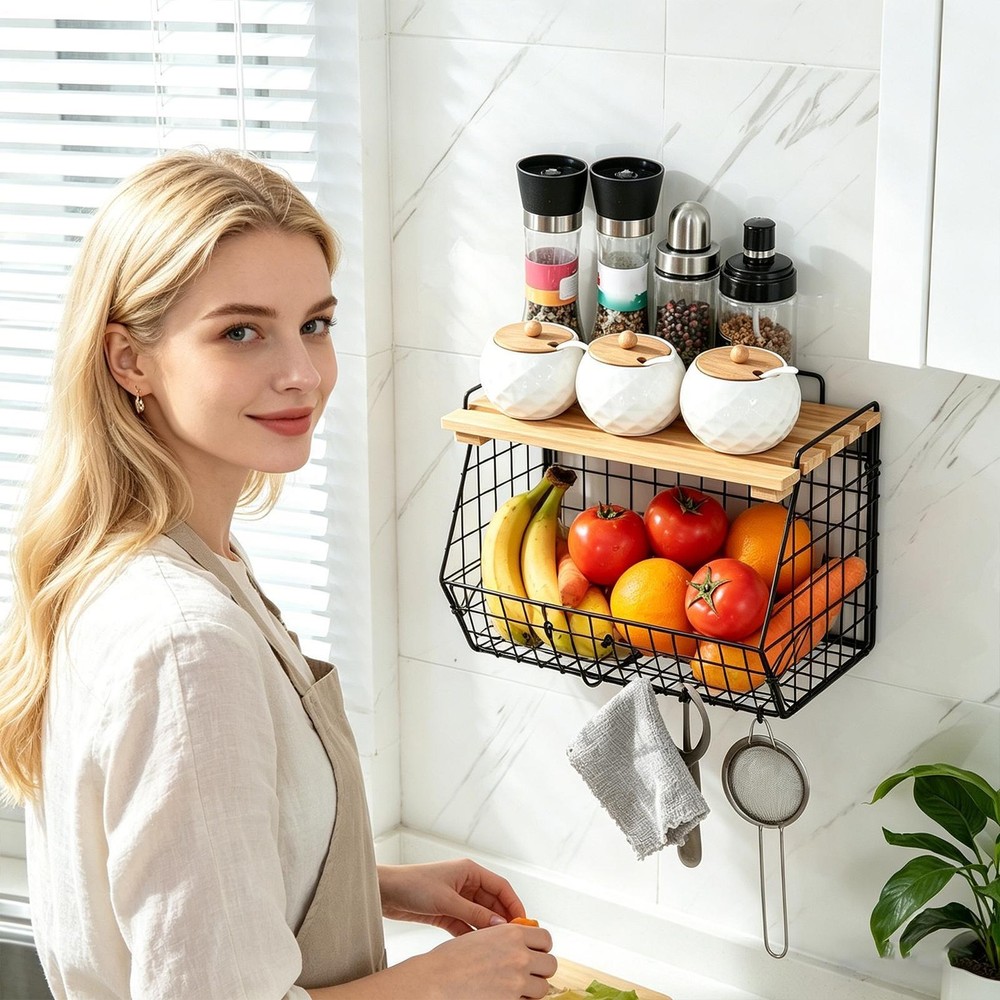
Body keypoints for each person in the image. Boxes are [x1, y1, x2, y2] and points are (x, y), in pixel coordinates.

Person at [0, 149, 557, 999]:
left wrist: (375, 885)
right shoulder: (186, 643)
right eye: (240, 331)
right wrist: (443, 983)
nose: (302, 372)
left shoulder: (148, 557)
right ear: (129, 361)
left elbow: (175, 890)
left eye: (316, 323)